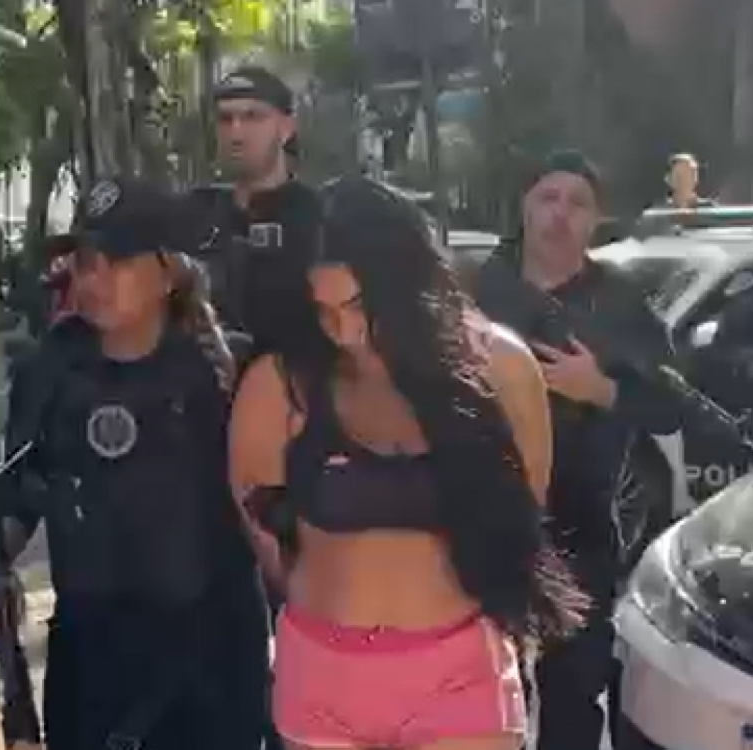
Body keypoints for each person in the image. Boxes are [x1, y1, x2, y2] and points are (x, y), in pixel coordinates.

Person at [230, 177, 587, 750]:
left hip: (460, 671)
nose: (345, 333)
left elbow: (524, 512)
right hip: (322, 676)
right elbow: (261, 527)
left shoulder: (500, 368)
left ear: (409, 286)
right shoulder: (281, 383)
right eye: (324, 311)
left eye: (359, 308)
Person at [0, 177, 270, 750]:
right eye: (86, 263)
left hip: (209, 659)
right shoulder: (51, 369)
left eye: (116, 262)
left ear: (169, 273)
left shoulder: (226, 369)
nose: (95, 279)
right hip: (92, 658)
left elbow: (268, 513)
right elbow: (18, 494)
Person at [475, 151, 682, 750]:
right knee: (483, 700)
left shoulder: (620, 303)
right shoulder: (475, 290)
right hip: (483, 523)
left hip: (580, 530)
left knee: (572, 699)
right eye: (548, 198)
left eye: (577, 203)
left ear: (597, 220)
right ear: (523, 206)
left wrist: (601, 389)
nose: (560, 214)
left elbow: (669, 405)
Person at [187, 65, 323, 358]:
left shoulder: (321, 219)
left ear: (286, 128)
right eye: (225, 119)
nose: (236, 132)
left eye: (253, 117)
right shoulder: (193, 215)